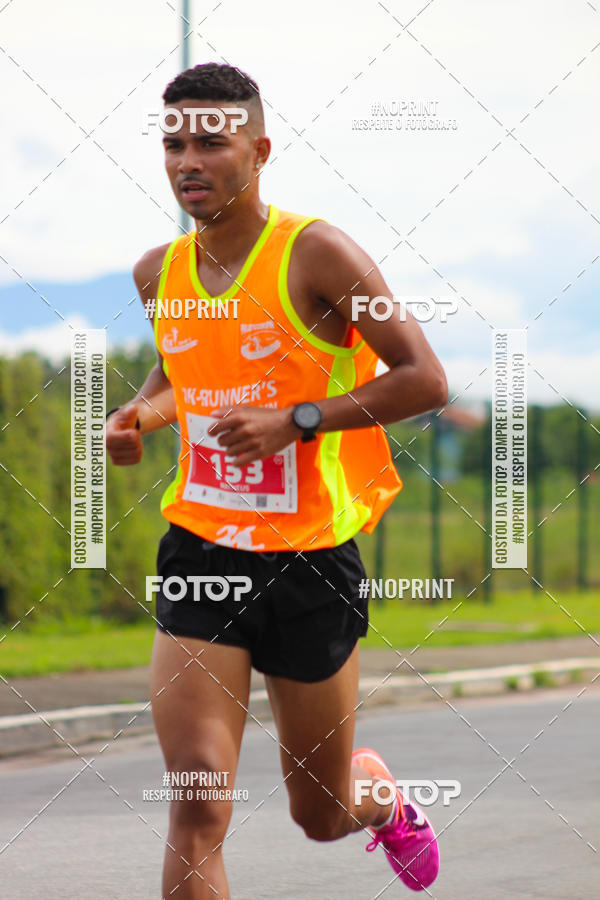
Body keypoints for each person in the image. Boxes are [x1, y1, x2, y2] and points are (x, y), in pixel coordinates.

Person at [106, 62, 448, 899]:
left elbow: (423, 379)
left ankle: (382, 802)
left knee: (321, 810)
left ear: (258, 151)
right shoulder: (160, 273)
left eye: (211, 142)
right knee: (196, 803)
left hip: (310, 565)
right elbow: (182, 368)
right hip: (202, 550)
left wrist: (295, 420)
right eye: (174, 142)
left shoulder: (318, 254)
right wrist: (137, 418)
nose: (189, 160)